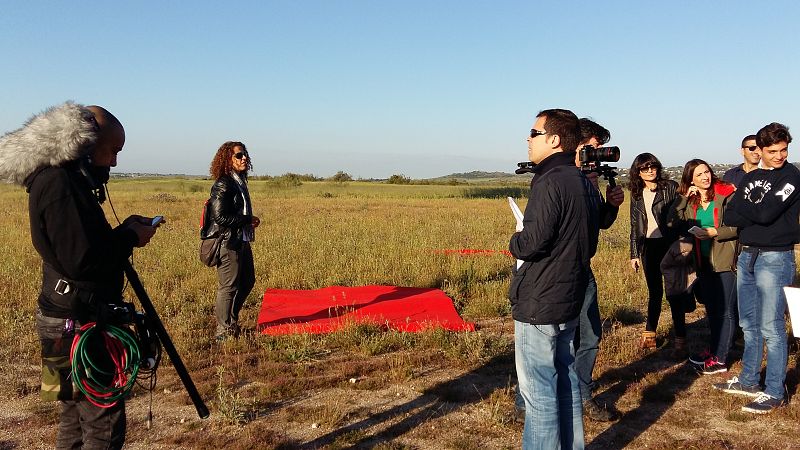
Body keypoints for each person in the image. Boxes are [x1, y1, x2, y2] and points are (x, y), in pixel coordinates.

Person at [0, 102, 160, 449]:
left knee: (72, 419)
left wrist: (121, 232)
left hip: (61, 317)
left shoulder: (59, 180)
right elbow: (83, 260)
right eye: (112, 151)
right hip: (79, 324)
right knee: (102, 426)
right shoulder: (59, 184)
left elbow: (81, 246)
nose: (115, 162)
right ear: (86, 144)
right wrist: (131, 237)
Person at [509, 108, 602, 449]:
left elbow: (532, 242)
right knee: (565, 380)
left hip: (541, 299)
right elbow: (590, 241)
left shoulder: (549, 181)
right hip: (570, 294)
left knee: (539, 391)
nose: (527, 140)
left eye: (533, 133)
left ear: (553, 139)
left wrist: (515, 239)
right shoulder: (582, 182)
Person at [714, 122, 799, 414]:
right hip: (748, 255)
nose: (779, 156)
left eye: (784, 150)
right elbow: (731, 215)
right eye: (772, 151)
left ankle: (775, 391)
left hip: (775, 258)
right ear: (759, 150)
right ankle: (749, 379)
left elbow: (763, 213)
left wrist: (746, 205)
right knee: (748, 323)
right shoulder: (754, 177)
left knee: (772, 327)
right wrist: (748, 208)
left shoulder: (791, 176)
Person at [572, 118, 624, 420]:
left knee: (590, 335)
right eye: (593, 148)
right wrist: (582, 190)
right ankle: (529, 402)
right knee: (555, 339)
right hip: (559, 273)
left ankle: (582, 394)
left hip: (584, 268)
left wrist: (610, 205)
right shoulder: (560, 177)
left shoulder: (590, 180)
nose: (597, 154)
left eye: (600, 149)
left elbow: (600, 224)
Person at [666, 159, 738, 374]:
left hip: (725, 260)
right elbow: (671, 222)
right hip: (703, 261)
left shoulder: (726, 194)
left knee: (726, 311)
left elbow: (739, 226)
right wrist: (683, 198)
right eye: (699, 175)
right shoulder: (692, 200)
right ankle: (714, 350)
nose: (705, 177)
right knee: (712, 309)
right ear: (691, 180)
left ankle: (721, 358)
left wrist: (716, 232)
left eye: (707, 171)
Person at [201, 141, 260, 341]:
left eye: (245, 155)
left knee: (247, 281)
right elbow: (220, 217)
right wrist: (247, 219)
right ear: (228, 159)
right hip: (227, 242)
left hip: (240, 239)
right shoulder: (224, 183)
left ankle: (231, 321)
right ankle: (223, 331)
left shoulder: (239, 181)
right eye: (239, 155)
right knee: (229, 286)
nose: (244, 158)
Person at [628, 153, 680, 352]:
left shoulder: (670, 187)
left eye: (652, 167)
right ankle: (650, 334)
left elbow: (681, 215)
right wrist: (634, 253)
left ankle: (680, 337)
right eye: (644, 168)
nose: (649, 171)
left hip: (669, 244)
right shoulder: (636, 193)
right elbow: (635, 225)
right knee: (655, 291)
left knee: (674, 291)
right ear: (638, 172)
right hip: (648, 246)